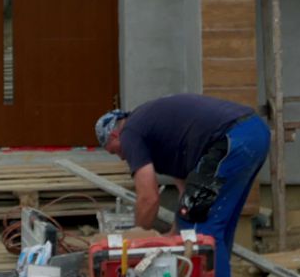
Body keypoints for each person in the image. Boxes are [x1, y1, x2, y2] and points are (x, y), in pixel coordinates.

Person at [96, 94, 270, 277]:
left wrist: (136, 241)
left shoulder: (130, 133)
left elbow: (148, 198)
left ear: (114, 135)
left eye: (115, 151)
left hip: (231, 138)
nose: (122, 157)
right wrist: (174, 232)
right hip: (254, 132)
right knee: (215, 225)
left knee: (200, 233)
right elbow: (186, 193)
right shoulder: (154, 130)